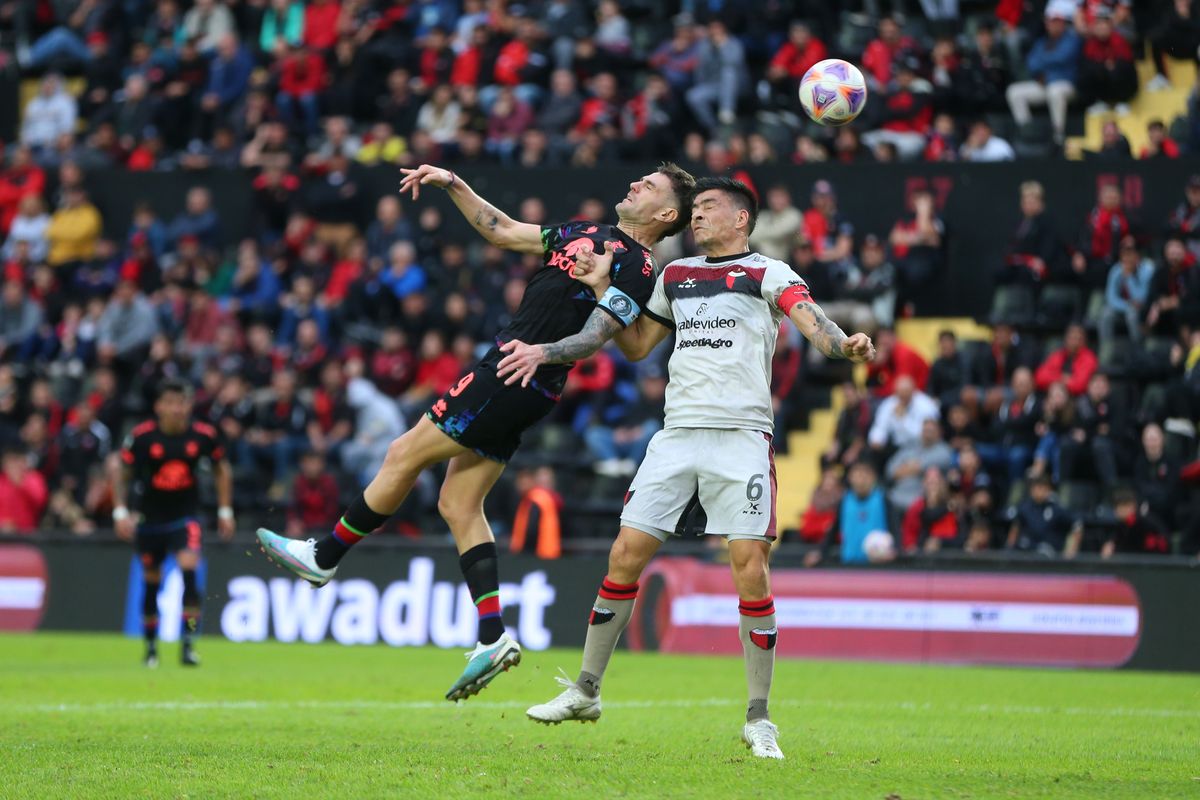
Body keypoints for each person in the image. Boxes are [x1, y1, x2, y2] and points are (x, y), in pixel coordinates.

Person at [256, 161, 697, 702]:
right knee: (459, 505)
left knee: (404, 452)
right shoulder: (589, 232)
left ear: (666, 213)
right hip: (520, 373)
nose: (633, 183)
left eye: (648, 186)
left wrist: (544, 350)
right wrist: (456, 184)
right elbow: (506, 231)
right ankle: (492, 637)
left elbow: (598, 339)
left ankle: (324, 557)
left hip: (515, 372)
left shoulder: (638, 267)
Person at [513, 177, 874, 760]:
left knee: (748, 564)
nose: (697, 217)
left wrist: (845, 345)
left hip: (740, 437)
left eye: (709, 209)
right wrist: (604, 282)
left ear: (741, 221)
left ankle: (759, 718)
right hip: (676, 435)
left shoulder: (768, 272)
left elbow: (814, 324)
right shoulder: (674, 276)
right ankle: (586, 690)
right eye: (695, 208)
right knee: (625, 554)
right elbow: (635, 347)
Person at [109, 379, 234, 668]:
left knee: (190, 574)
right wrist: (119, 511)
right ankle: (151, 648)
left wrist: (225, 510)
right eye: (171, 403)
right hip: (150, 520)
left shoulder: (203, 436)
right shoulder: (142, 437)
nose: (177, 409)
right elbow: (121, 472)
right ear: (159, 407)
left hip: (185, 517)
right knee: (152, 584)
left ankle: (188, 645)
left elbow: (221, 469)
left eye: (182, 402)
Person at [1005, 4, 1081, 144]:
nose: (1054, 25)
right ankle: (1027, 131)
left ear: (1063, 22)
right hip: (1044, 84)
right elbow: (1031, 63)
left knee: (1055, 91)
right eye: (1051, 21)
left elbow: (1062, 58)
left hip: (1066, 85)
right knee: (1014, 92)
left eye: (1057, 21)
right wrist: (1046, 66)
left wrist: (1045, 66)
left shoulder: (1072, 39)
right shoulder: (1041, 42)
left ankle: (1058, 136)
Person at [1005, 474, 1082, 557]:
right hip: (1026, 550)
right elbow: (1015, 527)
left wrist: (1071, 551)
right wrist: (1010, 547)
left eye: (1043, 488)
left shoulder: (1057, 509)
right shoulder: (1024, 508)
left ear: (1049, 490)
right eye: (1036, 488)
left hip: (1048, 554)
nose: (1039, 491)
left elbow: (1077, 525)